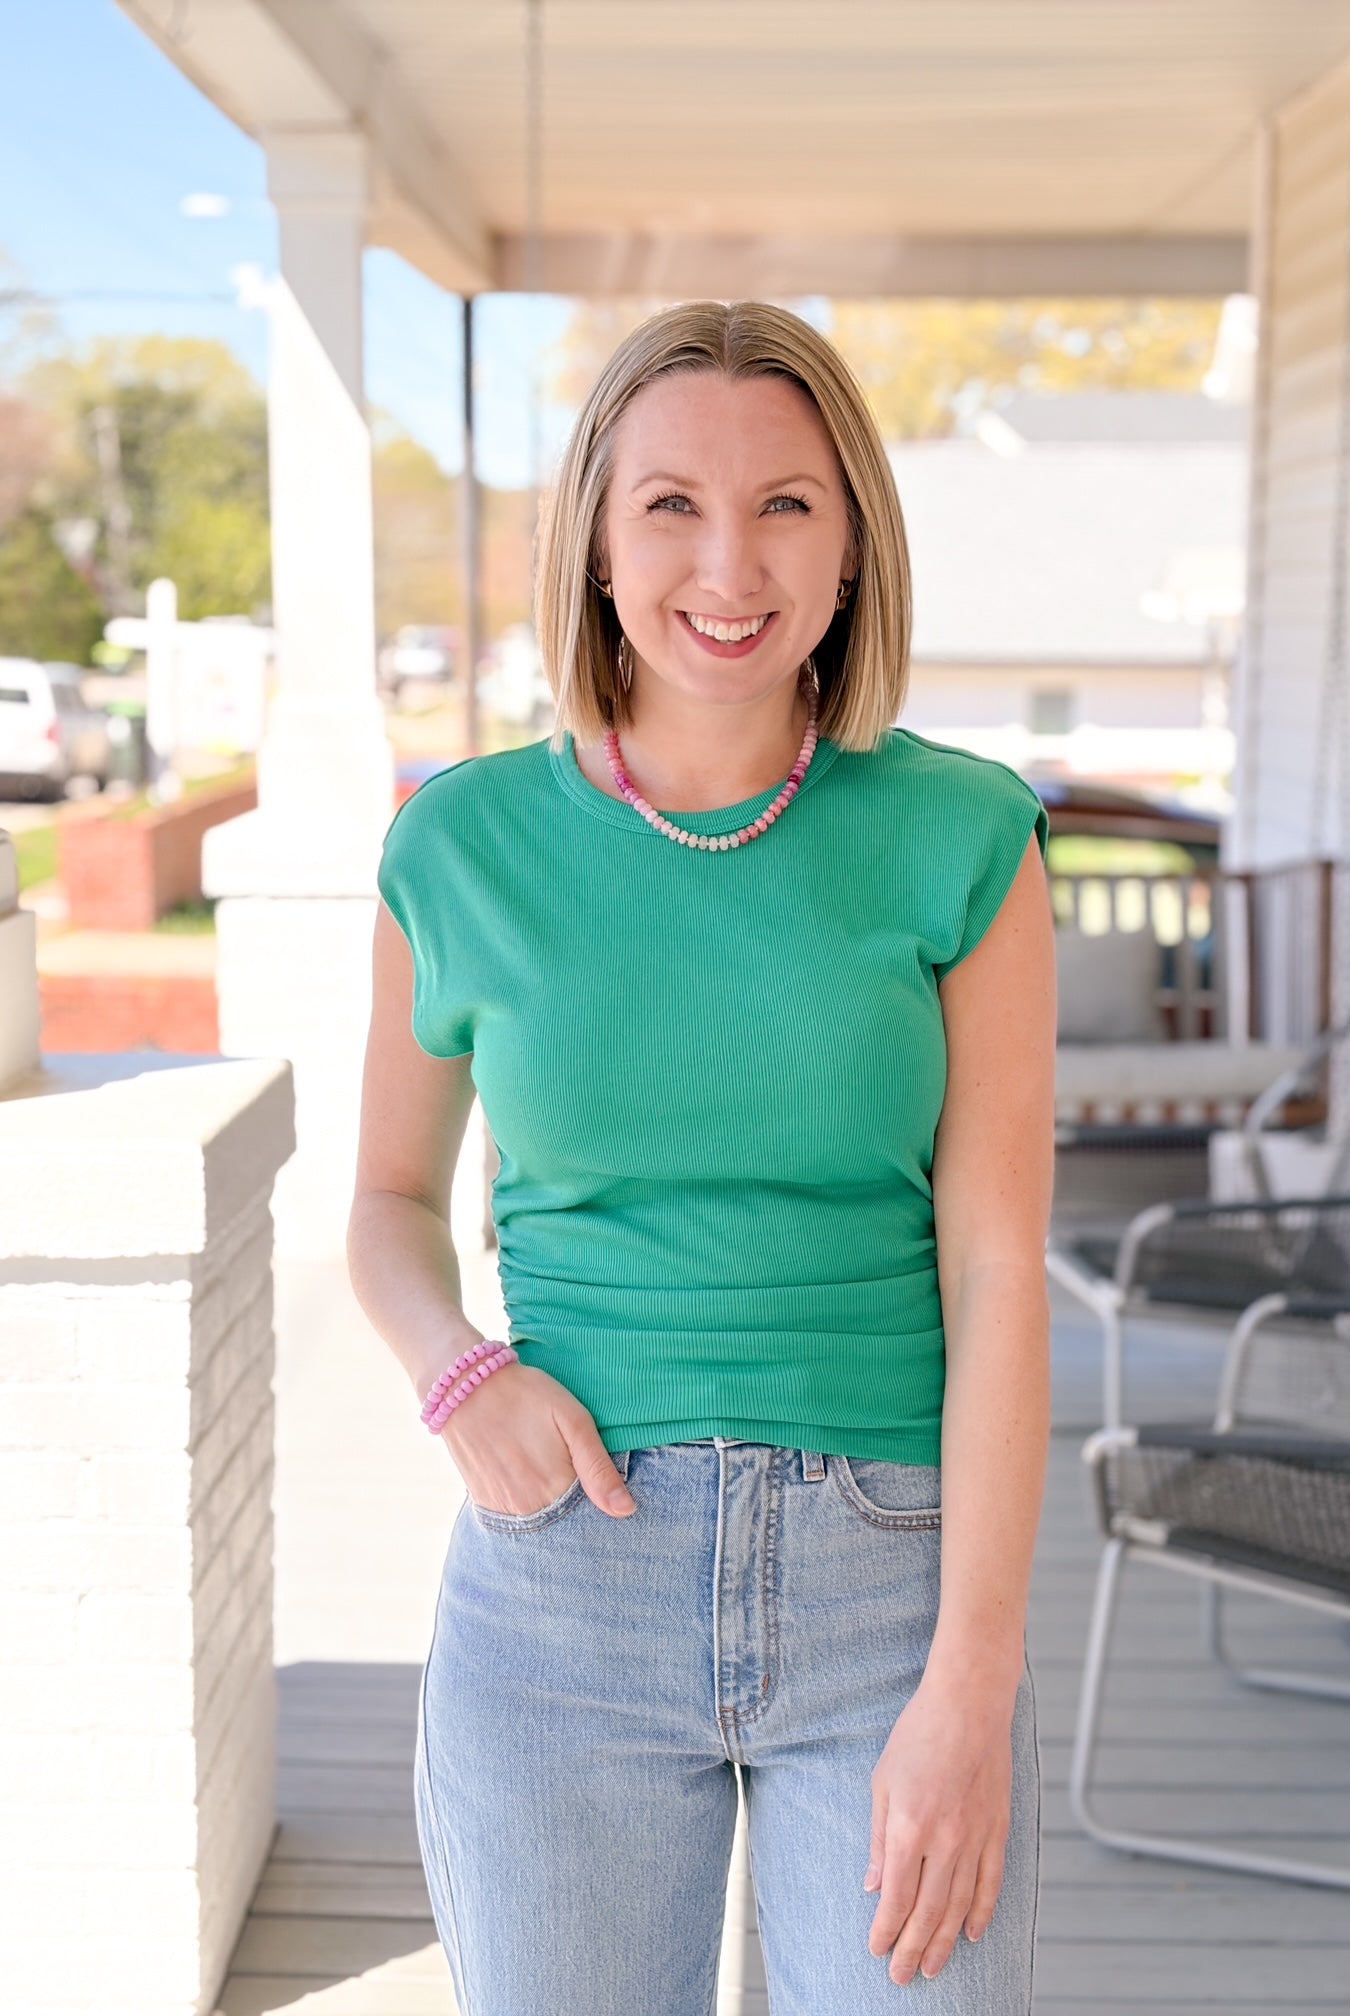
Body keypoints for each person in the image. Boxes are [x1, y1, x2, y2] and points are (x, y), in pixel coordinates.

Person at [348, 299, 1056, 2015]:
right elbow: (379, 1208)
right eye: (668, 504)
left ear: (849, 546)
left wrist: (971, 1676)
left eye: (784, 505)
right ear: (593, 538)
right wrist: (456, 1376)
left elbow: (997, 1269)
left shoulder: (961, 837)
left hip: (892, 1586)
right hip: (564, 1589)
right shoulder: (460, 844)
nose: (725, 563)